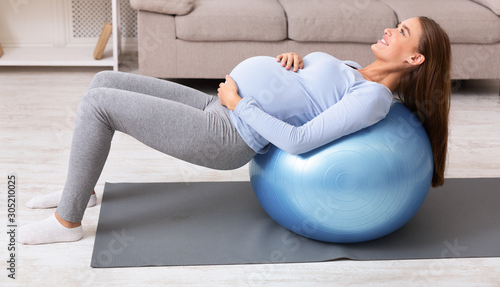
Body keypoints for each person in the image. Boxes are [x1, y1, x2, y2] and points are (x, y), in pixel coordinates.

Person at [19, 16, 451, 245]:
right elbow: (309, 92)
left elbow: (298, 140)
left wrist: (239, 103)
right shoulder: (358, 69)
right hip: (219, 105)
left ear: (414, 60)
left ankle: (68, 221)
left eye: (403, 32)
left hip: (228, 133)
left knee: (99, 105)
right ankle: (82, 188)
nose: (390, 30)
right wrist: (295, 60)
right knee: (103, 82)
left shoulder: (375, 98)